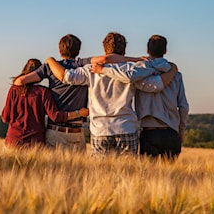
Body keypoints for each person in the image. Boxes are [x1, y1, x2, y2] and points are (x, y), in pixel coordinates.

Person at [45, 32, 177, 157]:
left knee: (101, 176)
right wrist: (172, 70)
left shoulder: (90, 69)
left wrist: (50, 61)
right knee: (128, 175)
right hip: (126, 128)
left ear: (104, 49)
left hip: (100, 130)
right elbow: (154, 85)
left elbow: (66, 76)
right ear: (124, 51)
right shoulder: (132, 69)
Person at [97, 35, 189, 159]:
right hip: (171, 132)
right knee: (170, 176)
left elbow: (133, 78)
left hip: (149, 132)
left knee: (149, 176)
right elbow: (183, 107)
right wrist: (181, 130)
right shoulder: (176, 75)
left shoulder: (139, 74)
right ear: (165, 51)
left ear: (147, 51)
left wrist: (103, 70)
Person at [13, 34, 106, 151]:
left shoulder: (50, 67)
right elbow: (104, 59)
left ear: (59, 50)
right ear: (78, 51)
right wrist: (134, 60)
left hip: (55, 132)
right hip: (77, 133)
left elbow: (20, 81)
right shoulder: (83, 65)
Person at [1, 58, 89, 148]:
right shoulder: (43, 92)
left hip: (13, 141)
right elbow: (55, 116)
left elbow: (5, 117)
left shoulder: (14, 89)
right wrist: (79, 113)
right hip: (35, 143)